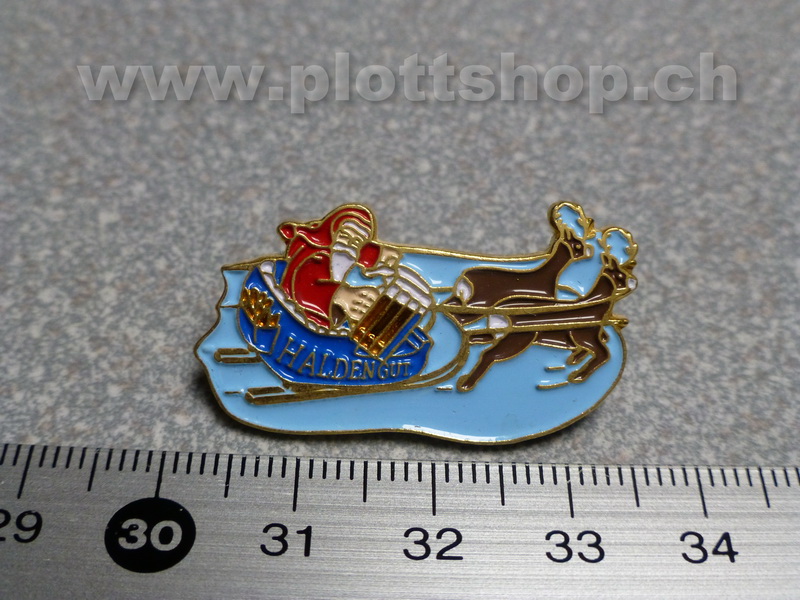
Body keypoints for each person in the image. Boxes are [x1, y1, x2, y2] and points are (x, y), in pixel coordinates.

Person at [277, 205, 400, 329]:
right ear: (333, 236)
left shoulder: (346, 264)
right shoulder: (319, 258)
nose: (349, 244)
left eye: (356, 242)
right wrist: (342, 295)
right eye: (345, 237)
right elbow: (303, 289)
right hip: (295, 318)